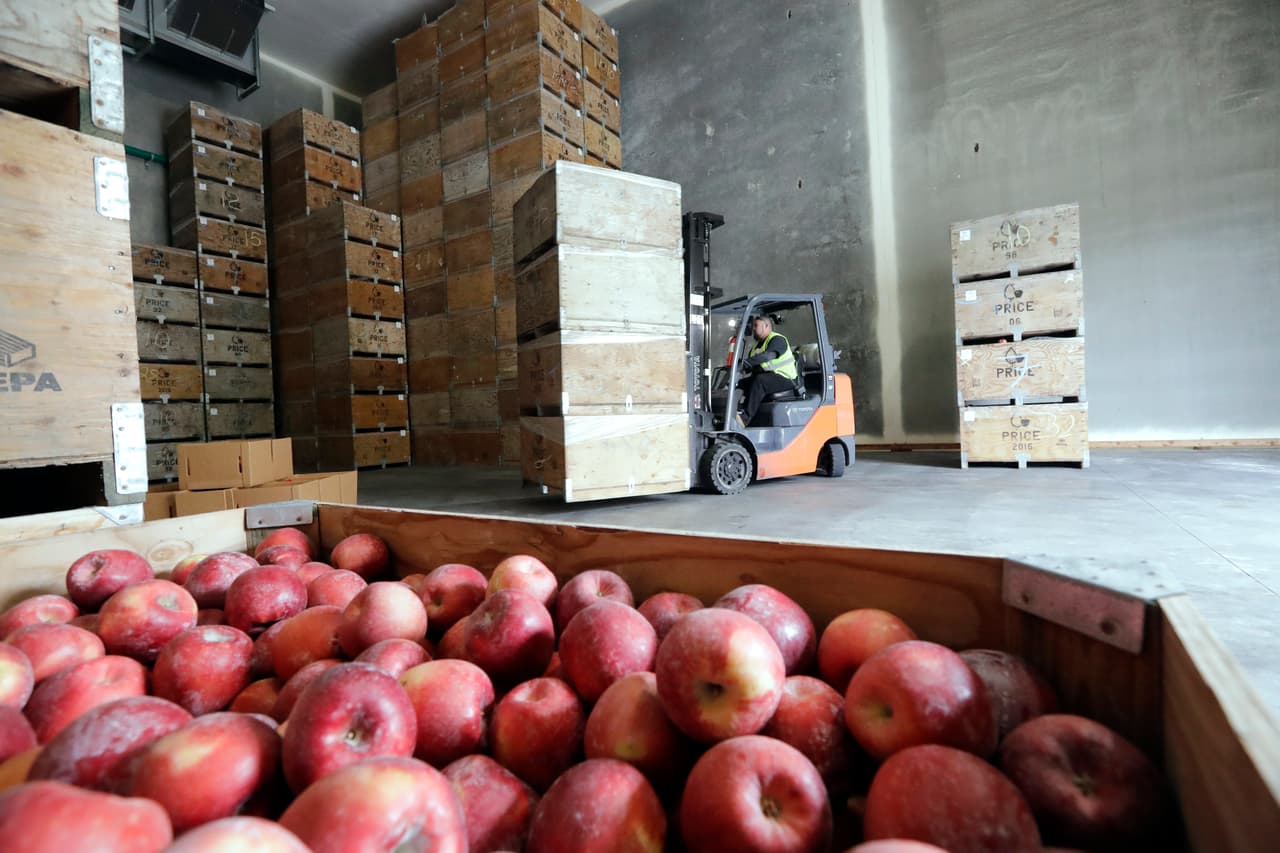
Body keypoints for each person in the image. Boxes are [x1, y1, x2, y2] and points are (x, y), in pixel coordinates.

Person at [735, 314, 798, 427]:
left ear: (766, 326)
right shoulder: (756, 348)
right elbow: (754, 367)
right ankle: (734, 411)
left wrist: (746, 363)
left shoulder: (777, 340)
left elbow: (768, 356)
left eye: (756, 325)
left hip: (786, 379)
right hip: (770, 378)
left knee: (760, 381)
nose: (753, 329)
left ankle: (745, 418)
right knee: (740, 383)